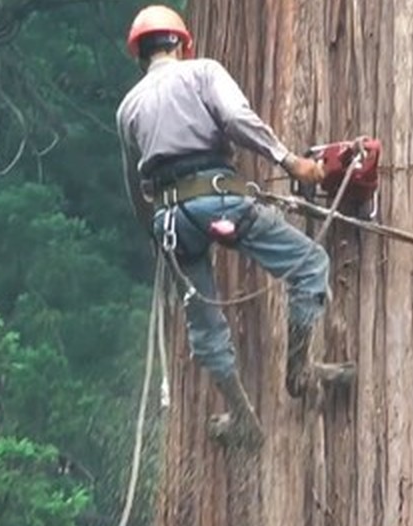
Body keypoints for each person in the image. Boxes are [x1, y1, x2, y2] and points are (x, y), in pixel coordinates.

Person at [116, 5, 354, 448]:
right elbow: (237, 120)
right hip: (220, 201)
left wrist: (154, 234)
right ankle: (299, 369)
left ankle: (242, 415)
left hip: (170, 222)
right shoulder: (202, 72)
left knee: (205, 323)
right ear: (181, 44)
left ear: (140, 55)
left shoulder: (128, 107)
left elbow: (136, 185)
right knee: (309, 263)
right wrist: (292, 162)